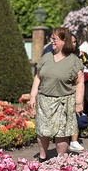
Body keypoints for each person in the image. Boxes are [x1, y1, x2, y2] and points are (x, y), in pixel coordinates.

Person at [27, 27, 84, 161]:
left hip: (64, 101)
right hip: (44, 100)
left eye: (55, 39)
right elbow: (38, 77)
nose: (52, 41)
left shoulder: (74, 61)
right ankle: (42, 157)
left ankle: (61, 159)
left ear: (64, 41)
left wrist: (79, 103)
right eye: (51, 38)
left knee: (62, 133)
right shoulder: (46, 57)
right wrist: (33, 95)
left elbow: (80, 82)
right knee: (43, 131)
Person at [68, 33, 88, 152]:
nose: (73, 44)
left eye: (75, 42)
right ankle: (64, 139)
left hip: (77, 87)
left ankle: (74, 140)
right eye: (70, 42)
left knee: (76, 114)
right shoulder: (60, 55)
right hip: (64, 88)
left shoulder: (81, 54)